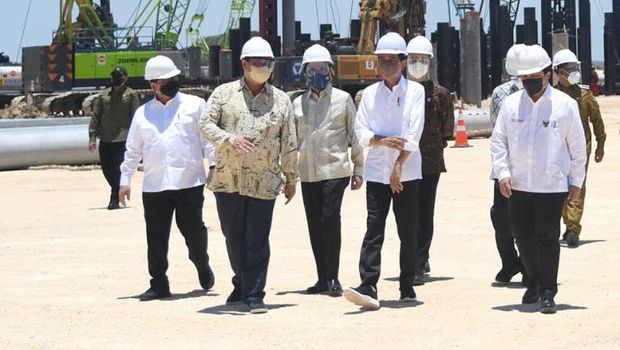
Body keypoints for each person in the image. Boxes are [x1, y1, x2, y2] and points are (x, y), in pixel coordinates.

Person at [200, 37, 298, 314]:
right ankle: (241, 282)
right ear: (243, 64)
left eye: (267, 64)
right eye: (257, 63)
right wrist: (229, 139)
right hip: (228, 179)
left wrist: (291, 178)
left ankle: (255, 293)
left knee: (257, 238)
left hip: (264, 180)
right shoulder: (223, 94)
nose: (263, 68)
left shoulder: (281, 100)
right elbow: (205, 124)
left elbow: (289, 141)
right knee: (234, 237)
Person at [490, 45, 586, 314]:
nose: (529, 83)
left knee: (547, 237)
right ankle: (531, 279)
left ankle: (547, 291)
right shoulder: (511, 105)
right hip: (518, 184)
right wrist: (503, 173)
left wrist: (577, 183)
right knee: (522, 236)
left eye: (534, 77)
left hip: (551, 185)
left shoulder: (566, 105)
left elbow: (577, 147)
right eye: (525, 78)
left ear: (547, 75)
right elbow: (498, 142)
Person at [119, 55, 216, 301]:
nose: (172, 83)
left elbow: (207, 139)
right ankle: (159, 284)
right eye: (165, 80)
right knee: (156, 237)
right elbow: (132, 150)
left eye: (173, 78)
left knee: (193, 232)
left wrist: (214, 166)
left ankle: (201, 263)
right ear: (153, 85)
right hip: (155, 185)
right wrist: (124, 181)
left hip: (189, 183)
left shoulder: (195, 106)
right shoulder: (143, 114)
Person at [343, 32, 425, 310]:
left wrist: (398, 165)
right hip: (377, 172)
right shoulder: (369, 95)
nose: (386, 64)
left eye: (391, 59)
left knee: (407, 230)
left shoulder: (415, 92)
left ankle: (407, 284)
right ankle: (368, 283)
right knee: (374, 228)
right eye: (382, 59)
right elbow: (360, 130)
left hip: (407, 173)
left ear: (402, 63)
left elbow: (413, 134)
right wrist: (382, 141)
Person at [293, 44, 365, 297]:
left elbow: (354, 135)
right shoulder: (298, 103)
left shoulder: (343, 100)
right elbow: (292, 141)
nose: (317, 74)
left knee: (329, 220)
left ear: (330, 71)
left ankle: (333, 277)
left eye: (322, 68)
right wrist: (289, 174)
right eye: (312, 70)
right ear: (305, 73)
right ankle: (321, 277)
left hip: (335, 170)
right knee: (314, 224)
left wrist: (359, 168)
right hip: (308, 172)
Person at [405, 35, 454, 285]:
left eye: (422, 60)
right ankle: (411, 258)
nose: (417, 64)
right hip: (403, 162)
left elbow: (448, 129)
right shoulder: (399, 92)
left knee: (424, 214)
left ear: (429, 62)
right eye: (413, 59)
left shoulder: (441, 94)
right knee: (407, 215)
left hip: (430, 163)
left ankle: (419, 261)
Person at [552, 49, 606, 248]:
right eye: (569, 68)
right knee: (557, 187)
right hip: (557, 150)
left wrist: (601, 145)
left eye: (575, 67)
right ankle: (560, 224)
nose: (574, 71)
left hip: (581, 149)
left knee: (577, 187)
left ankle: (573, 228)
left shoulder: (585, 95)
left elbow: (597, 121)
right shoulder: (551, 96)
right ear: (558, 72)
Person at [488, 44, 529, 285]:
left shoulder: (544, 93)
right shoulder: (500, 93)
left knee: (527, 221)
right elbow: (497, 131)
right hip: (503, 169)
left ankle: (527, 265)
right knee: (501, 220)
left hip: (531, 170)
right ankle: (509, 262)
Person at [88, 66, 140, 209]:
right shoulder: (103, 96)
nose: (117, 79)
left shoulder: (131, 95)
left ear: (126, 78)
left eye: (120, 76)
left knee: (117, 168)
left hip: (123, 137)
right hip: (106, 138)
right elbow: (95, 116)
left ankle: (114, 197)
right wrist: (92, 138)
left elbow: (137, 117)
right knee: (106, 169)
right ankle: (118, 188)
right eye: (115, 76)